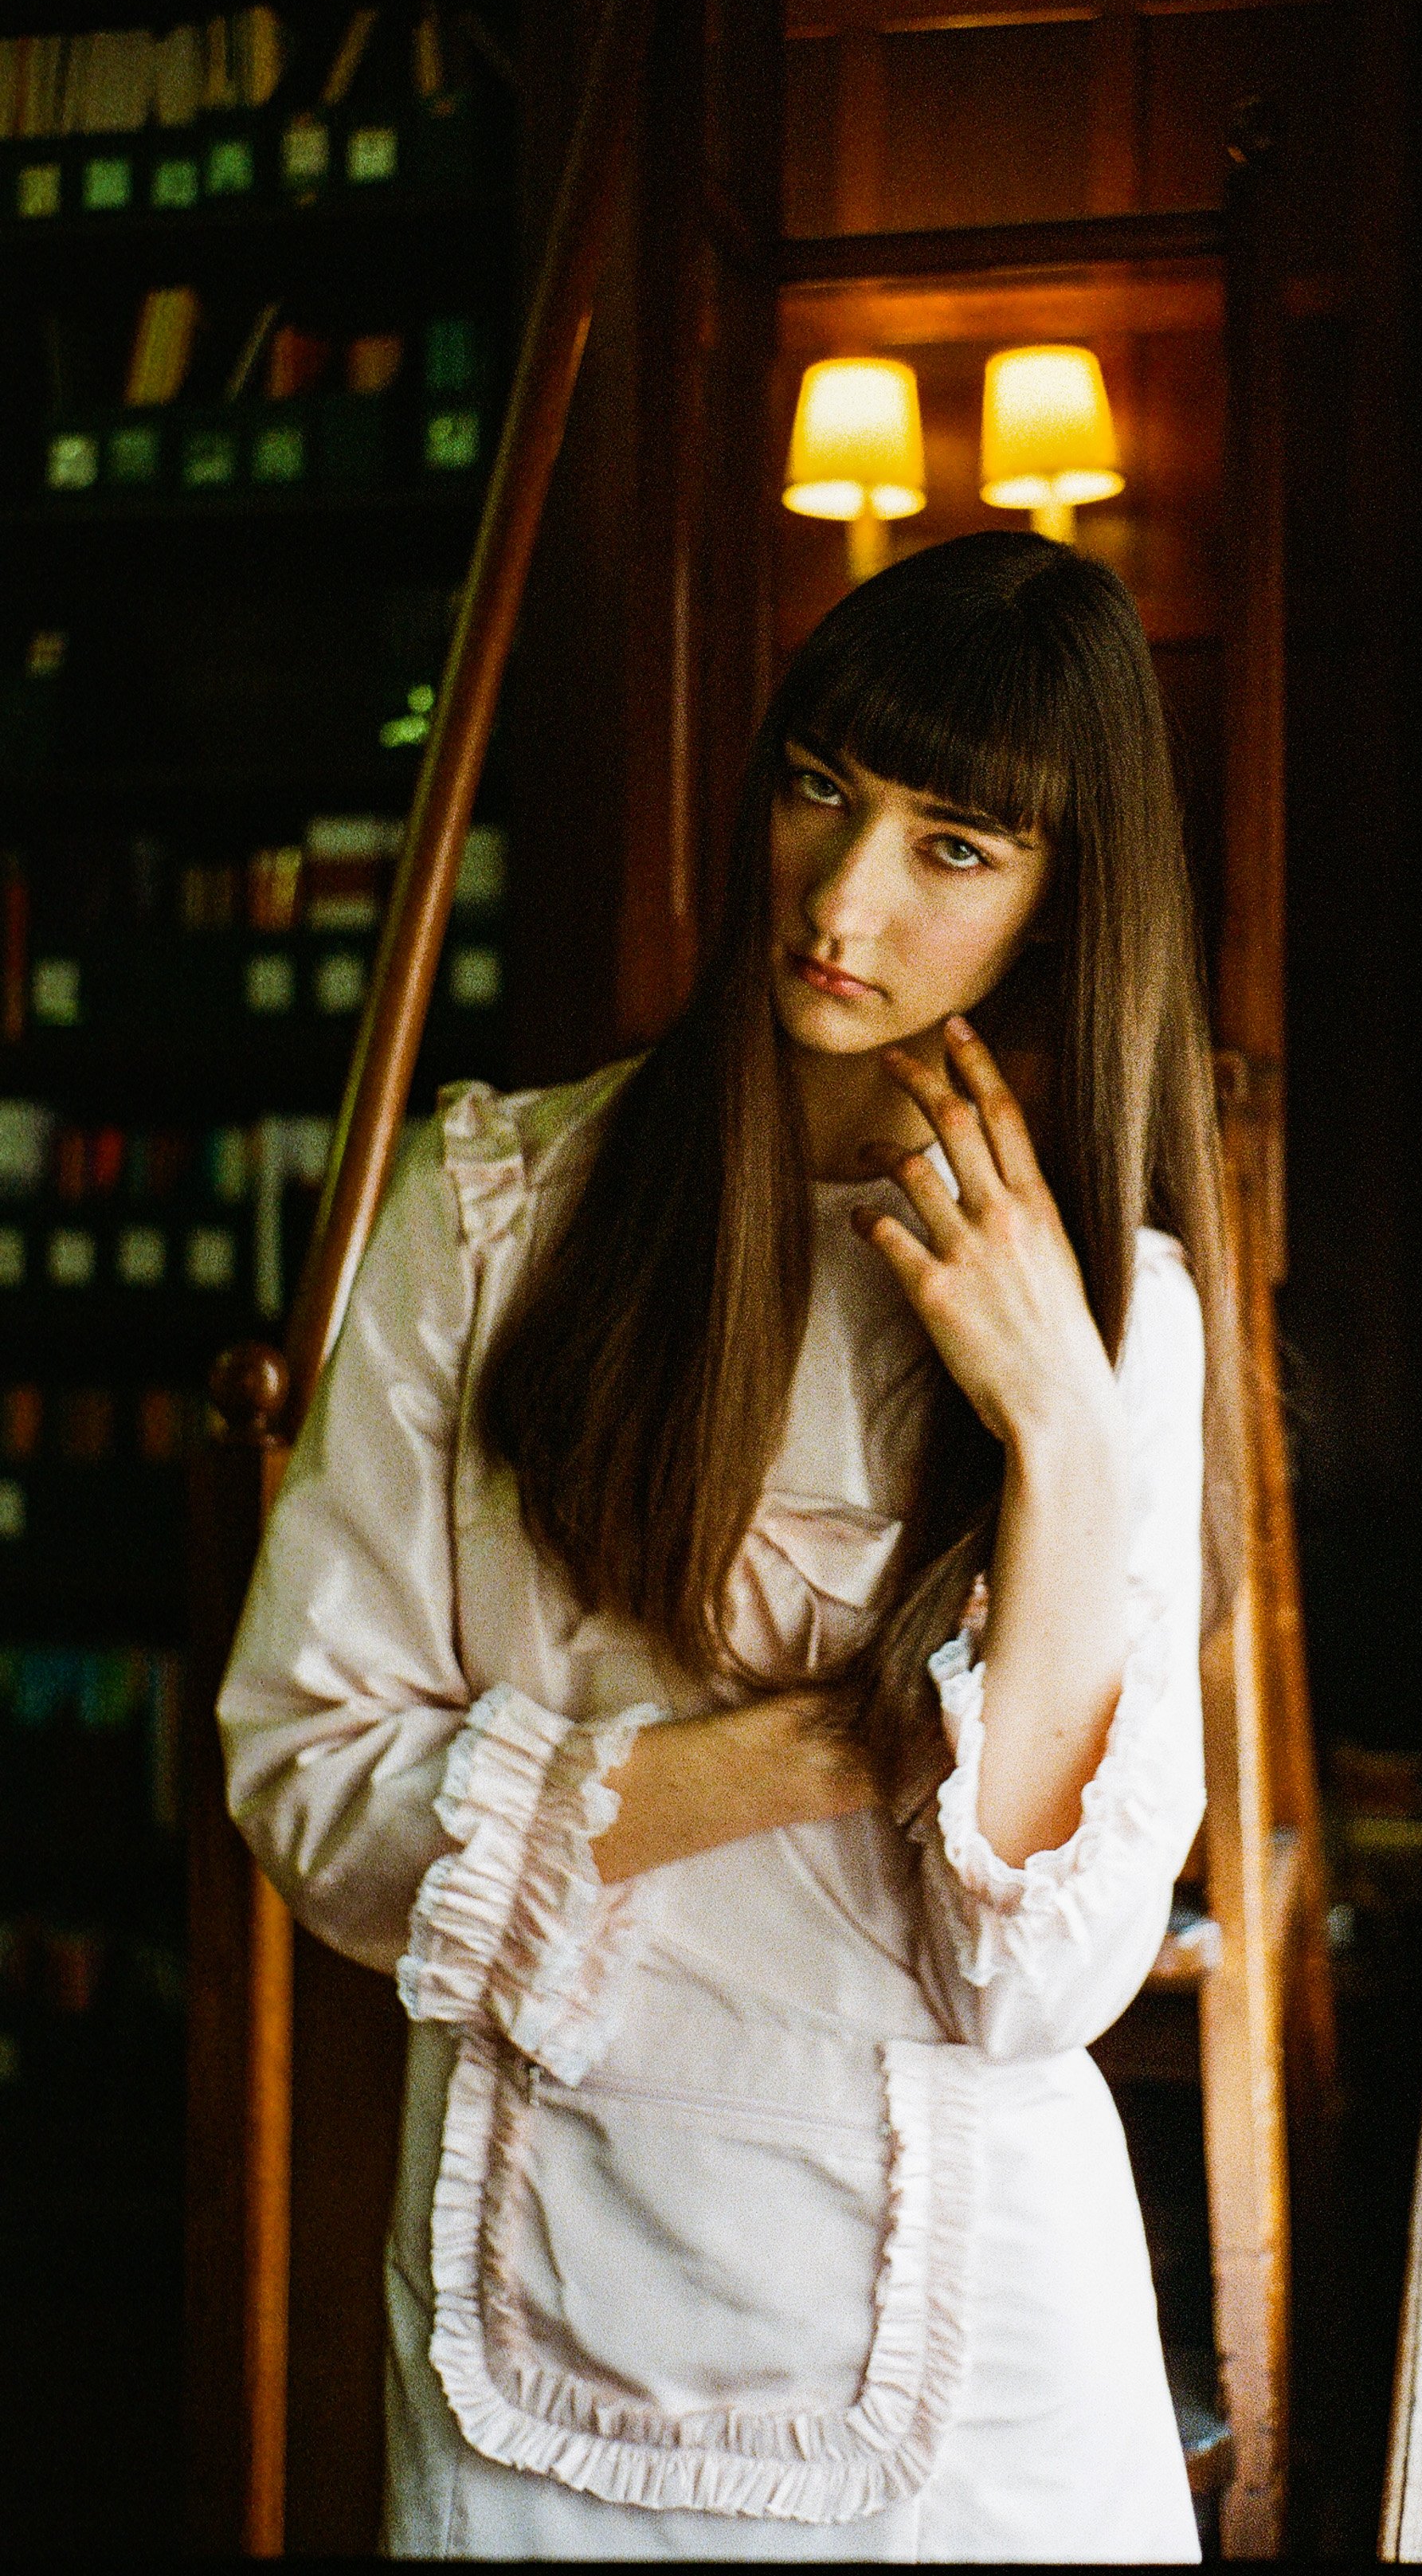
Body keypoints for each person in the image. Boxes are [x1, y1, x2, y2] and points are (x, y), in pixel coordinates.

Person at [218, 528, 1242, 2561]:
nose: (843, 899)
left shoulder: (1113, 1316)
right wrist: (815, 1750)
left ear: (1063, 902)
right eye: (817, 791)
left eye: (953, 849)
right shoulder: (494, 1210)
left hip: (973, 2369)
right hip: (539, 2293)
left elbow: (1046, 1977)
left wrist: (1056, 1420)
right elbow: (311, 1789)